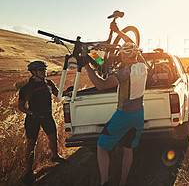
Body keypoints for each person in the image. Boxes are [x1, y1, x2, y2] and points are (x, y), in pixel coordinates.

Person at [82, 22, 147, 186]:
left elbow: (101, 85)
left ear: (125, 56)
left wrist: (86, 66)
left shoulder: (124, 72)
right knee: (128, 148)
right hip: (139, 114)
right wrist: (119, 32)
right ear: (137, 54)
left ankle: (105, 182)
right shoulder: (144, 66)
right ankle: (123, 182)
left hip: (123, 114)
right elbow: (133, 46)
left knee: (101, 146)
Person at [18, 61, 68, 181]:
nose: (44, 72)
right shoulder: (26, 88)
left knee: (53, 137)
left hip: (47, 116)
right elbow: (21, 107)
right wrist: (31, 113)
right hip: (32, 119)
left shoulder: (49, 83)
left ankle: (55, 156)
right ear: (33, 72)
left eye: (45, 69)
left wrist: (68, 92)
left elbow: (58, 94)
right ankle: (29, 171)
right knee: (31, 144)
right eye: (41, 70)